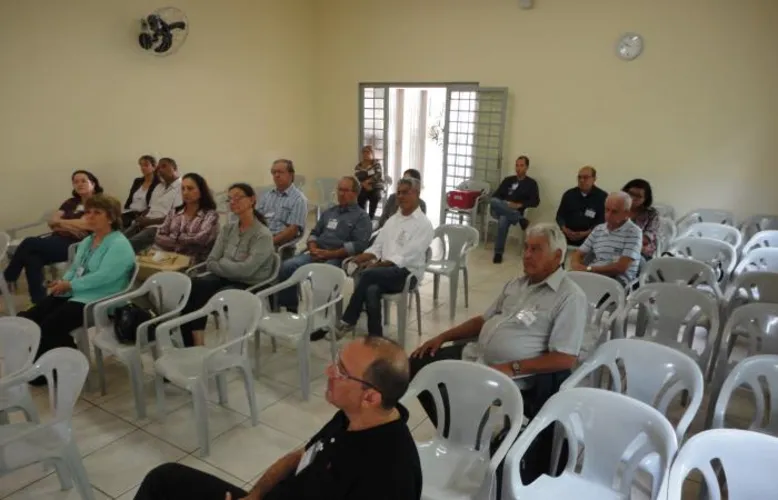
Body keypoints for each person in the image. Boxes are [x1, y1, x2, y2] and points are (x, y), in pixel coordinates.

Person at [134, 336, 422, 500]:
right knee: (164, 480)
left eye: (342, 372)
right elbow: (300, 456)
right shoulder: (351, 418)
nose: (328, 373)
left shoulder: (390, 474)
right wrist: (255, 495)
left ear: (370, 396)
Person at [410, 223, 587, 424]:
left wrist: (513, 367)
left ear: (557, 257)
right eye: (526, 247)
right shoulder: (517, 283)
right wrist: (442, 337)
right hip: (477, 355)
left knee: (447, 388)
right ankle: (455, 432)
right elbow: (483, 320)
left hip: (513, 375)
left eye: (536, 249)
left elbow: (564, 359)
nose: (527, 254)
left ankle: (463, 437)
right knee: (417, 364)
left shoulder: (569, 297)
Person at [17, 195, 135, 373]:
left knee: (50, 325)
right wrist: (64, 281)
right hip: (77, 293)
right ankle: (48, 362)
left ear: (111, 217)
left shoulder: (119, 244)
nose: (90, 216)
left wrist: (71, 286)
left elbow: (103, 277)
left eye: (97, 212)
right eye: (88, 212)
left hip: (101, 299)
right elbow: (75, 268)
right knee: (31, 317)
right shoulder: (88, 241)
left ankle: (67, 367)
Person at [333, 178, 433, 339]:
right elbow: (378, 247)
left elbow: (407, 256)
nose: (400, 196)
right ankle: (376, 337)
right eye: (398, 192)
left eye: (405, 192)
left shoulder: (424, 225)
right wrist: (359, 258)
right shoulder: (393, 220)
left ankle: (348, 319)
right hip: (385, 272)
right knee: (371, 290)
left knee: (367, 275)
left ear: (417, 194)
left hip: (407, 274)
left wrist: (377, 266)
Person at [178, 183, 275, 347]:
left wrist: (222, 263)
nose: (233, 202)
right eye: (230, 199)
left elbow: (247, 270)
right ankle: (195, 345)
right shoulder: (228, 229)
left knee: (220, 297)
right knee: (193, 287)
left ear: (252, 200)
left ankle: (227, 349)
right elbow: (211, 261)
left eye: (238, 197)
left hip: (250, 284)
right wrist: (226, 265)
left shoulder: (262, 234)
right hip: (226, 277)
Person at [4, 170, 103, 304]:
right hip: (55, 240)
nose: (79, 184)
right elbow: (52, 221)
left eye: (83, 181)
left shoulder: (98, 203)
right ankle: (39, 302)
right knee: (32, 258)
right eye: (75, 181)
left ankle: (8, 276)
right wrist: (70, 226)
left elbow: (86, 225)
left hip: (76, 245)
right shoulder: (71, 202)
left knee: (29, 242)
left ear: (93, 183)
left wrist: (61, 223)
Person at [277, 176, 372, 314]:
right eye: (339, 190)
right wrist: (313, 248)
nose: (341, 194)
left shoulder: (362, 217)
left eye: (346, 190)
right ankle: (291, 308)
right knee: (287, 266)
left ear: (356, 193)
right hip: (317, 252)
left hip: (339, 257)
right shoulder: (330, 212)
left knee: (321, 276)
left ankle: (322, 316)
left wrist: (331, 254)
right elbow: (315, 232)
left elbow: (358, 245)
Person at [571, 191, 643, 286]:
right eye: (607, 210)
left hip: (617, 281)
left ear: (626, 213)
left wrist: (588, 269)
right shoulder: (599, 229)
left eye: (614, 211)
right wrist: (576, 265)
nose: (608, 215)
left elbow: (620, 268)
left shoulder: (634, 232)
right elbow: (578, 253)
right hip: (593, 275)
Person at [151, 173, 219, 264]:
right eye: (183, 189)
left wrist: (173, 239)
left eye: (190, 188)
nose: (185, 192)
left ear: (201, 191)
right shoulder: (174, 212)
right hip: (168, 258)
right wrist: (182, 241)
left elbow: (200, 240)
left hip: (193, 263)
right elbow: (159, 236)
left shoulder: (210, 215)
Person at [124, 157, 183, 252]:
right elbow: (150, 207)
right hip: (146, 222)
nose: (160, 170)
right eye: (159, 168)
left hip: (160, 227)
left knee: (129, 245)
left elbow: (174, 217)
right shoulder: (159, 187)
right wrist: (142, 217)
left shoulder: (182, 187)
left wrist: (149, 222)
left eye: (164, 166)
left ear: (175, 168)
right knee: (119, 240)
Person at [490, 155, 540, 264]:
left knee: (504, 219)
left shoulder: (531, 183)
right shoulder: (508, 180)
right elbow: (496, 196)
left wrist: (519, 205)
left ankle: (498, 253)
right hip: (501, 209)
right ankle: (521, 220)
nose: (518, 168)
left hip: (516, 210)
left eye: (521, 165)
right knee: (493, 201)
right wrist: (506, 204)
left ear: (527, 167)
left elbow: (535, 202)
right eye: (517, 165)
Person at [257, 159, 308, 249]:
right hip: (261, 239)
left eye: (280, 172)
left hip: (278, 244)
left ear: (291, 175)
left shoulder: (298, 199)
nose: (276, 175)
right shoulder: (267, 196)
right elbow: (257, 219)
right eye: (274, 172)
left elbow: (292, 231)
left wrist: (269, 242)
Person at [555, 166, 607, 246]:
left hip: (591, 239)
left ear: (594, 179)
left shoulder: (602, 197)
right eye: (579, 177)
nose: (581, 180)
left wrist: (585, 233)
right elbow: (559, 216)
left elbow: (602, 221)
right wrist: (565, 229)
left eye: (585, 177)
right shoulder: (569, 194)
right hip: (567, 237)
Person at [622, 178, 660, 260]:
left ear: (645, 199)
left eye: (638, 196)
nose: (633, 198)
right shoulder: (617, 208)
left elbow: (647, 238)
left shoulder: (651, 214)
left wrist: (622, 242)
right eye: (630, 194)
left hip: (641, 251)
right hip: (614, 247)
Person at [123, 155, 160, 228]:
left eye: (146, 165)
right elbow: (130, 199)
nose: (143, 168)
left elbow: (153, 205)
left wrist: (142, 216)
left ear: (154, 167)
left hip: (143, 214)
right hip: (129, 211)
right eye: (141, 165)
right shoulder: (137, 181)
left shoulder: (158, 184)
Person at [354, 145, 385, 219]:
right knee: (360, 197)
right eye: (364, 152)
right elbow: (359, 176)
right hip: (364, 186)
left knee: (375, 196)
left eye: (368, 152)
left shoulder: (376, 164)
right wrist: (366, 184)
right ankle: (362, 217)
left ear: (372, 153)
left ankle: (371, 217)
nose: (365, 154)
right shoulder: (358, 166)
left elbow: (378, 175)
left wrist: (368, 181)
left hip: (377, 186)